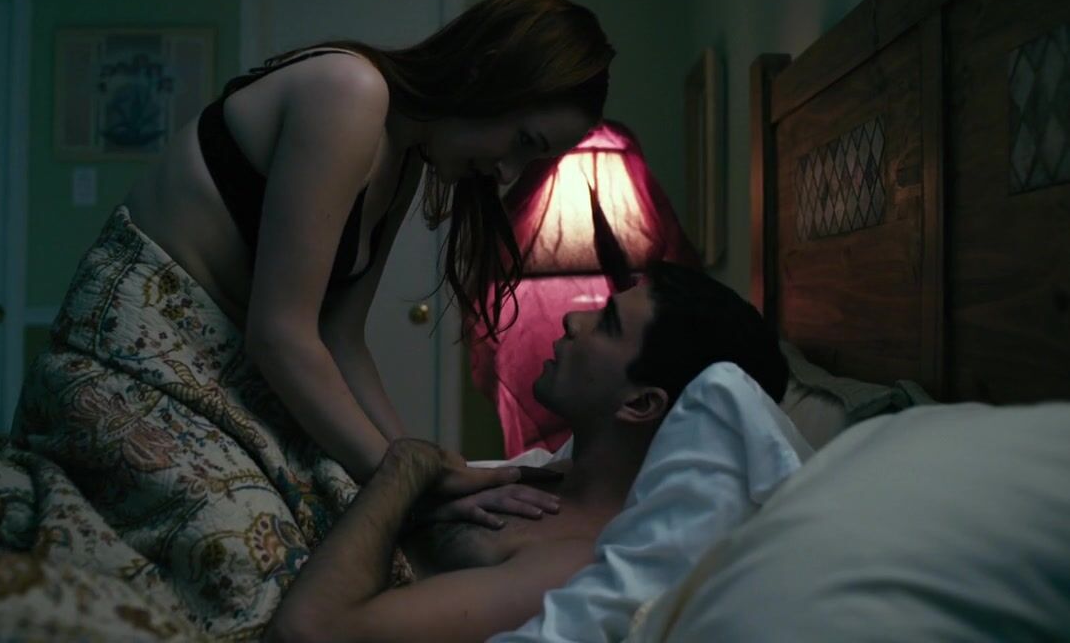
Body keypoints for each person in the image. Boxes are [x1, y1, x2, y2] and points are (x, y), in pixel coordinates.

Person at [13, 0, 613, 635]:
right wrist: (405, 477)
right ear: (485, 70)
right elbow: (280, 334)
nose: (507, 172)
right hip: (120, 372)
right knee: (254, 570)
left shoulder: (406, 159)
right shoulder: (348, 92)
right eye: (521, 141)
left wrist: (426, 467)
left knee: (359, 533)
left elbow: (341, 338)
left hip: (216, 385)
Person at [265, 261, 790, 643]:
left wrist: (407, 466)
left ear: (640, 403)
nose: (573, 320)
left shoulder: (571, 564)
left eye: (606, 324)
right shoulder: (537, 480)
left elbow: (313, 632)